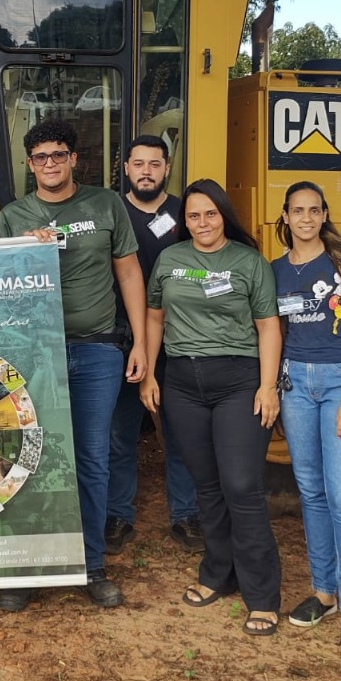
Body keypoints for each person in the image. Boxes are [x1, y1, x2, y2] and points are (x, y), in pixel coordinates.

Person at [0, 118, 147, 611]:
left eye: (59, 155)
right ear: (29, 163)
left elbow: (128, 272)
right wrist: (23, 254)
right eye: (40, 157)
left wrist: (140, 342)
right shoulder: (14, 215)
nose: (50, 164)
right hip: (32, 353)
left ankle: (90, 565)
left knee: (91, 459)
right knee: (28, 457)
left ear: (74, 159)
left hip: (99, 350)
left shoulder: (105, 205)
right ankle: (27, 567)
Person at [140, 179, 283, 636]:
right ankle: (218, 573)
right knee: (206, 485)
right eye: (194, 215)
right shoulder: (170, 260)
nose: (202, 223)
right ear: (185, 221)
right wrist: (148, 375)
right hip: (182, 381)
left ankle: (261, 593)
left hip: (239, 381)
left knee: (241, 485)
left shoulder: (248, 262)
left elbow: (268, 326)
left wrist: (267, 386)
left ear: (225, 216)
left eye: (211, 214)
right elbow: (154, 317)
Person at [272, 181, 341, 657]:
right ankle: (324, 592)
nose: (307, 218)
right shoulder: (274, 271)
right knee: (310, 491)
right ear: (286, 217)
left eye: (315, 210)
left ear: (324, 214)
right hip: (296, 387)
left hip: (340, 385)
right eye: (298, 210)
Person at [106, 135, 202, 555]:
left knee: (181, 431)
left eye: (155, 164)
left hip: (180, 337)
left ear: (167, 169)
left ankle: (187, 515)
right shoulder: (110, 211)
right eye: (138, 163)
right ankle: (117, 515)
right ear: (125, 168)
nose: (146, 170)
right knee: (120, 432)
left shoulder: (187, 213)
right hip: (126, 339)